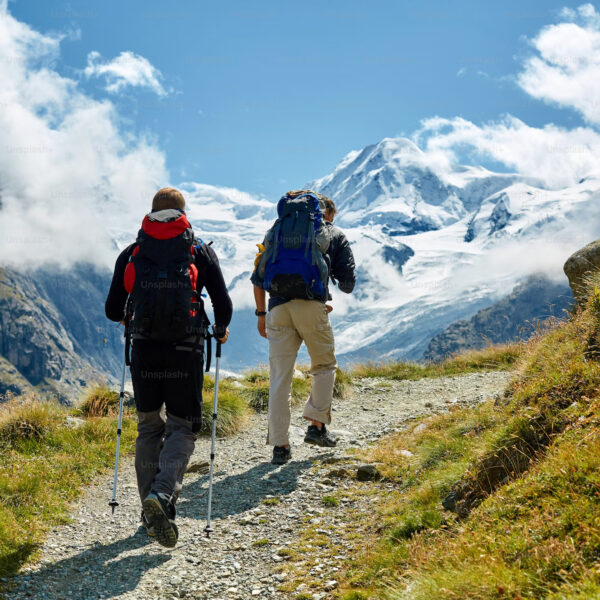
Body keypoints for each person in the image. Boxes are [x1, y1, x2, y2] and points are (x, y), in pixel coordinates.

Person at [105, 187, 232, 547]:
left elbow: (113, 310)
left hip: (144, 350)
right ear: (183, 213)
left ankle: (150, 507)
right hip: (184, 350)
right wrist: (220, 329)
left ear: (151, 213)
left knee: (148, 426)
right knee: (182, 428)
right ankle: (161, 496)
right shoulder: (198, 251)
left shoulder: (133, 253)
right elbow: (223, 303)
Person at [251, 190, 355, 465]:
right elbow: (348, 283)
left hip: (277, 309)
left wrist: (261, 313)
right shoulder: (331, 233)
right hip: (311, 307)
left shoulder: (275, 232)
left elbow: (257, 276)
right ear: (325, 212)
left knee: (280, 378)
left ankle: (280, 446)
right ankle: (316, 426)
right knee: (324, 365)